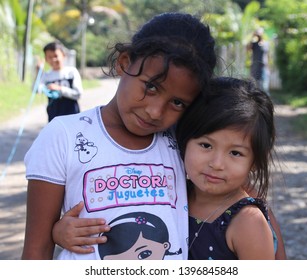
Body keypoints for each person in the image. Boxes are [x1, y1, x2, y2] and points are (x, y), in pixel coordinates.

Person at [21, 12, 217, 260]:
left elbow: (245, 205)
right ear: (124, 63)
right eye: (151, 86)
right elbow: (36, 251)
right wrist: (54, 232)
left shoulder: (185, 143)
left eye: (177, 102)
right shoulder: (64, 136)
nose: (155, 111)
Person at [175, 76, 277, 259]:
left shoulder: (247, 222)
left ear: (254, 162)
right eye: (206, 145)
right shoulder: (173, 193)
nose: (216, 164)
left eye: (235, 153)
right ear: (184, 141)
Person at [37, 41, 83, 122]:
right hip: (54, 117)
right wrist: (38, 72)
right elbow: (37, 89)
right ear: (46, 59)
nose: (53, 59)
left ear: (63, 55)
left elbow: (78, 94)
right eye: (49, 57)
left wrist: (59, 89)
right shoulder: (46, 76)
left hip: (72, 116)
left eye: (56, 56)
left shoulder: (71, 72)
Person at [247, 28, 270, 94]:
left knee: (264, 87)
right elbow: (248, 49)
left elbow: (268, 56)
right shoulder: (254, 44)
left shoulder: (266, 44)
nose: (259, 35)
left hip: (263, 67)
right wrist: (252, 36)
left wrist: (269, 68)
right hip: (255, 67)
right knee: (254, 87)